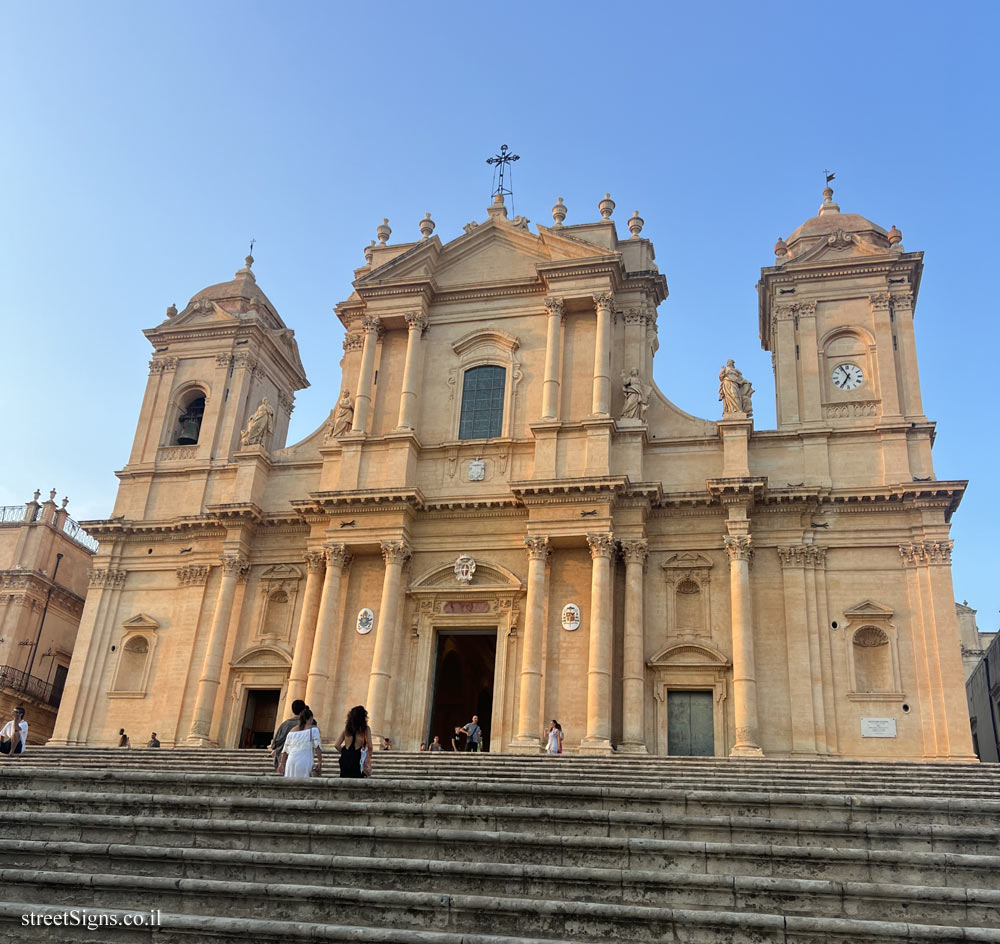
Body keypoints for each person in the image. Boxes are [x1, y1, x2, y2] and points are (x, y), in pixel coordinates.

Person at [277, 707, 322, 778]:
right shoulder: (314, 729)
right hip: (305, 760)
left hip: (291, 761)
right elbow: (317, 747)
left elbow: (285, 750)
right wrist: (319, 761)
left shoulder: (292, 730)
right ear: (311, 718)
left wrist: (282, 763)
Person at [335, 705, 372, 778]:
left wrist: (344, 752)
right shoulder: (365, 729)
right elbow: (370, 746)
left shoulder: (346, 729)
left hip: (345, 758)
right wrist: (368, 758)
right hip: (357, 758)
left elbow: (337, 745)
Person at [269, 698, 306, 770]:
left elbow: (274, 744)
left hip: (283, 758)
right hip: (300, 758)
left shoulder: (285, 724)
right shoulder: (306, 725)